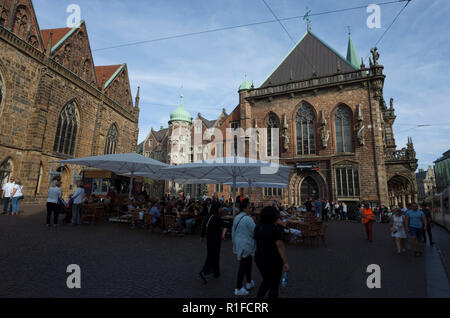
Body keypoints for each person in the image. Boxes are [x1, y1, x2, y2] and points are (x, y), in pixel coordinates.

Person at [254, 206, 289, 298]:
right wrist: (285, 262)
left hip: (259, 258)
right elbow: (280, 246)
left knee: (266, 281)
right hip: (272, 260)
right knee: (274, 285)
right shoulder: (274, 229)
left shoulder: (258, 227)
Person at [232, 198, 256, 296]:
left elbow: (233, 231)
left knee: (248, 263)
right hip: (246, 244)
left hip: (239, 243)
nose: (251, 209)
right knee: (243, 265)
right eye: (250, 207)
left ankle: (249, 282)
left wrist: (234, 244)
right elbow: (255, 231)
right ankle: (238, 288)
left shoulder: (237, 217)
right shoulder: (248, 219)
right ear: (245, 208)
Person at [199, 199, 227, 283]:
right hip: (215, 239)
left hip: (209, 239)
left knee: (213, 255)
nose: (221, 209)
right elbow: (224, 224)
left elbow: (204, 225)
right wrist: (235, 222)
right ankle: (204, 271)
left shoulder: (209, 215)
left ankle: (216, 272)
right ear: (217, 208)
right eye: (220, 208)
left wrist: (202, 236)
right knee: (213, 255)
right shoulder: (216, 217)